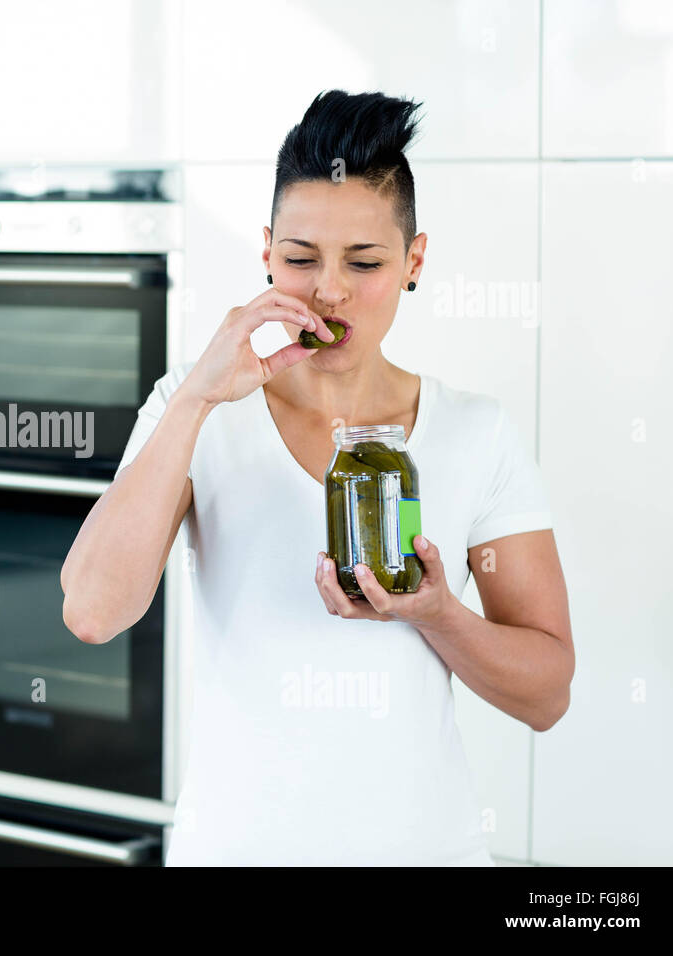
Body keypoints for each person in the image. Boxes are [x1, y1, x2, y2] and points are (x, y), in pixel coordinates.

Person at [59, 89, 574, 866]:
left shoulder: (476, 431)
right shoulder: (195, 410)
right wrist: (198, 394)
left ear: (414, 263)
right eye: (300, 259)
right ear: (266, 253)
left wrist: (435, 615)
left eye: (364, 262)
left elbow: (547, 695)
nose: (329, 291)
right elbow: (93, 612)